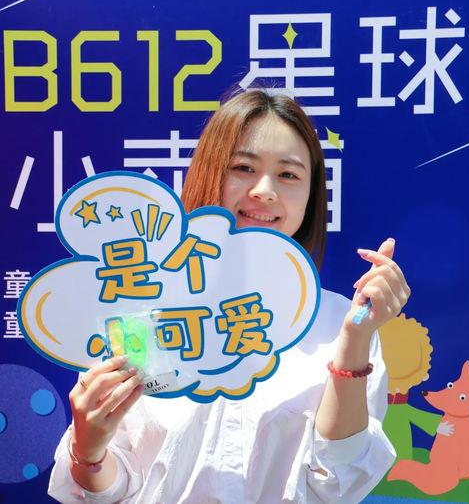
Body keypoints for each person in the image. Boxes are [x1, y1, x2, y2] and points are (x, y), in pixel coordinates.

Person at [48, 90, 410, 503]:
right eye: (243, 167)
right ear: (208, 173)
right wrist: (89, 450)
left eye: (288, 174)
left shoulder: (338, 323)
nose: (265, 190)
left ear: (311, 194)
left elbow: (336, 483)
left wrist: (354, 341)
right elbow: (114, 488)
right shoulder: (136, 310)